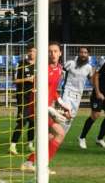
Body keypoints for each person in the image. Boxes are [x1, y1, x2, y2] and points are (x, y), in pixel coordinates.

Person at [20, 42, 71, 173]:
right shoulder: (43, 69)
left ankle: (29, 162)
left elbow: (53, 91)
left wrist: (63, 105)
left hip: (46, 107)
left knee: (48, 137)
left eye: (55, 51)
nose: (52, 54)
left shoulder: (59, 69)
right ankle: (42, 166)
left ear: (60, 53)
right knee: (60, 133)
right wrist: (49, 109)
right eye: (50, 51)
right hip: (37, 106)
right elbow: (36, 92)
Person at [60, 46, 94, 133]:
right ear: (78, 53)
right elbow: (60, 73)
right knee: (66, 114)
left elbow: (91, 80)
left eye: (85, 53)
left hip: (78, 95)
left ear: (88, 55)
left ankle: (60, 137)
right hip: (67, 92)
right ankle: (53, 134)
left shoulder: (89, 68)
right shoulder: (70, 63)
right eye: (81, 52)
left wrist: (97, 90)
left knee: (70, 118)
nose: (83, 54)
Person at [10, 47, 36, 155]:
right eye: (30, 51)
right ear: (27, 52)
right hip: (23, 96)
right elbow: (14, 80)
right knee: (22, 120)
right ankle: (12, 146)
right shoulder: (20, 64)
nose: (32, 53)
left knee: (33, 121)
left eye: (34, 51)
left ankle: (30, 145)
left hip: (35, 96)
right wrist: (27, 79)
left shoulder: (41, 64)